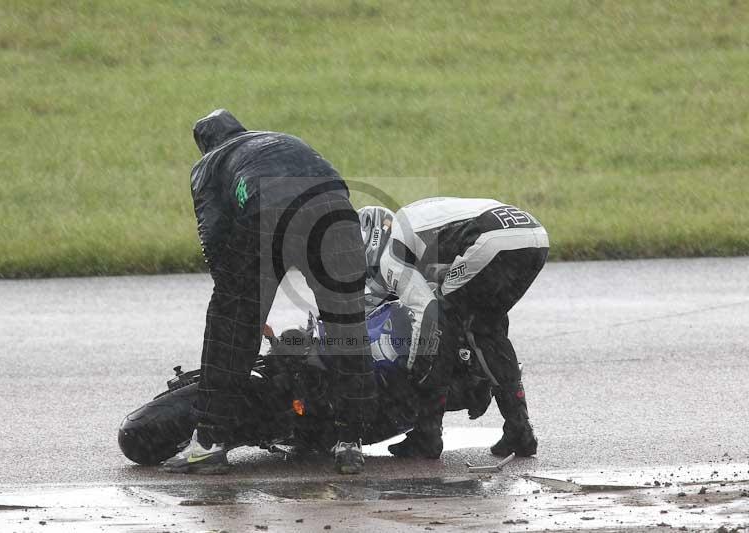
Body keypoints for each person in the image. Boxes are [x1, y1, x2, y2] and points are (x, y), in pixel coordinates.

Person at [162, 109, 377, 475]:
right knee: (348, 328)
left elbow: (212, 233)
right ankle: (349, 441)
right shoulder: (283, 140)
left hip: (269, 215)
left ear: (204, 144)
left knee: (229, 331)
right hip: (337, 214)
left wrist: (237, 300)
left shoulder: (209, 164)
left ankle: (209, 444)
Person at [358, 197, 549, 458]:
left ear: (371, 241)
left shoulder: (392, 253)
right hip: (534, 236)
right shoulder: (412, 225)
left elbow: (428, 312)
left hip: (489, 238)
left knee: (442, 322)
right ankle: (520, 430)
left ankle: (427, 435)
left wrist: (417, 366)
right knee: (487, 327)